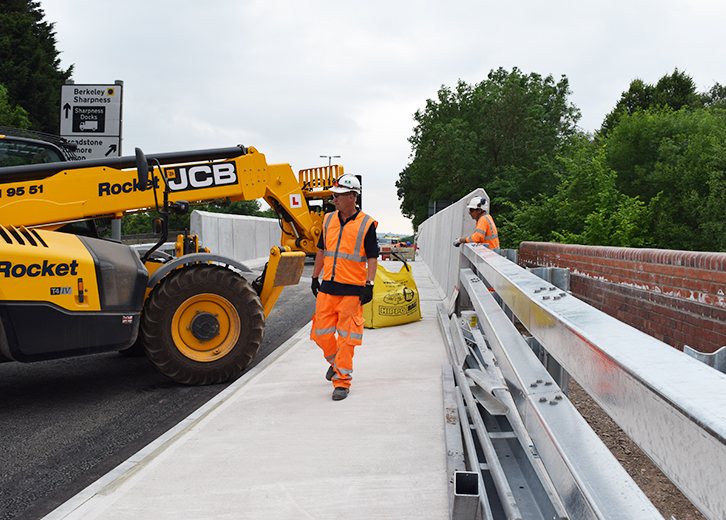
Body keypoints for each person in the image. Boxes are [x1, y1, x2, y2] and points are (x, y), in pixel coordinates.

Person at [310, 174, 379, 401]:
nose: (334, 199)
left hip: (352, 290)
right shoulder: (328, 220)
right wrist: (314, 276)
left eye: (339, 195)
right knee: (320, 334)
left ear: (352, 197)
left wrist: (369, 283)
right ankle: (336, 363)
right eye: (334, 195)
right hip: (328, 287)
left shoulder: (366, 224)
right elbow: (321, 250)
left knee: (347, 339)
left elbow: (372, 257)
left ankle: (341, 382)